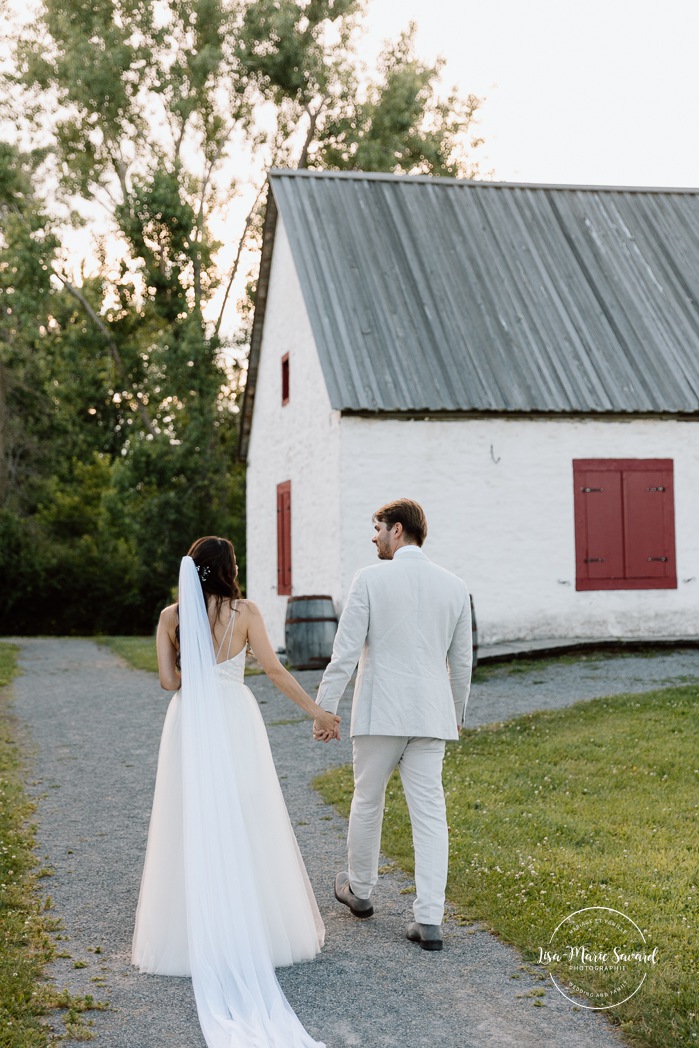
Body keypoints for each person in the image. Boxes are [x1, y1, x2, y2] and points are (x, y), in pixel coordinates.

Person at [132, 536, 339, 1048]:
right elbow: (271, 669)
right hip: (234, 718)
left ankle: (190, 935)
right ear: (226, 570)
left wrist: (195, 668)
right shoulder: (245, 611)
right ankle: (258, 929)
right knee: (248, 816)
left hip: (190, 721)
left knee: (193, 818)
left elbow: (167, 682)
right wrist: (317, 711)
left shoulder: (170, 617)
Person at [313, 499, 472, 952]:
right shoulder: (455, 586)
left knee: (367, 800)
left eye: (377, 527)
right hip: (430, 718)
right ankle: (429, 920)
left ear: (397, 530)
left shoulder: (370, 579)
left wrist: (326, 709)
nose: (374, 536)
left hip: (380, 712)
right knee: (430, 814)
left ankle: (360, 893)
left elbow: (344, 652)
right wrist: (455, 716)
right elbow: (461, 665)